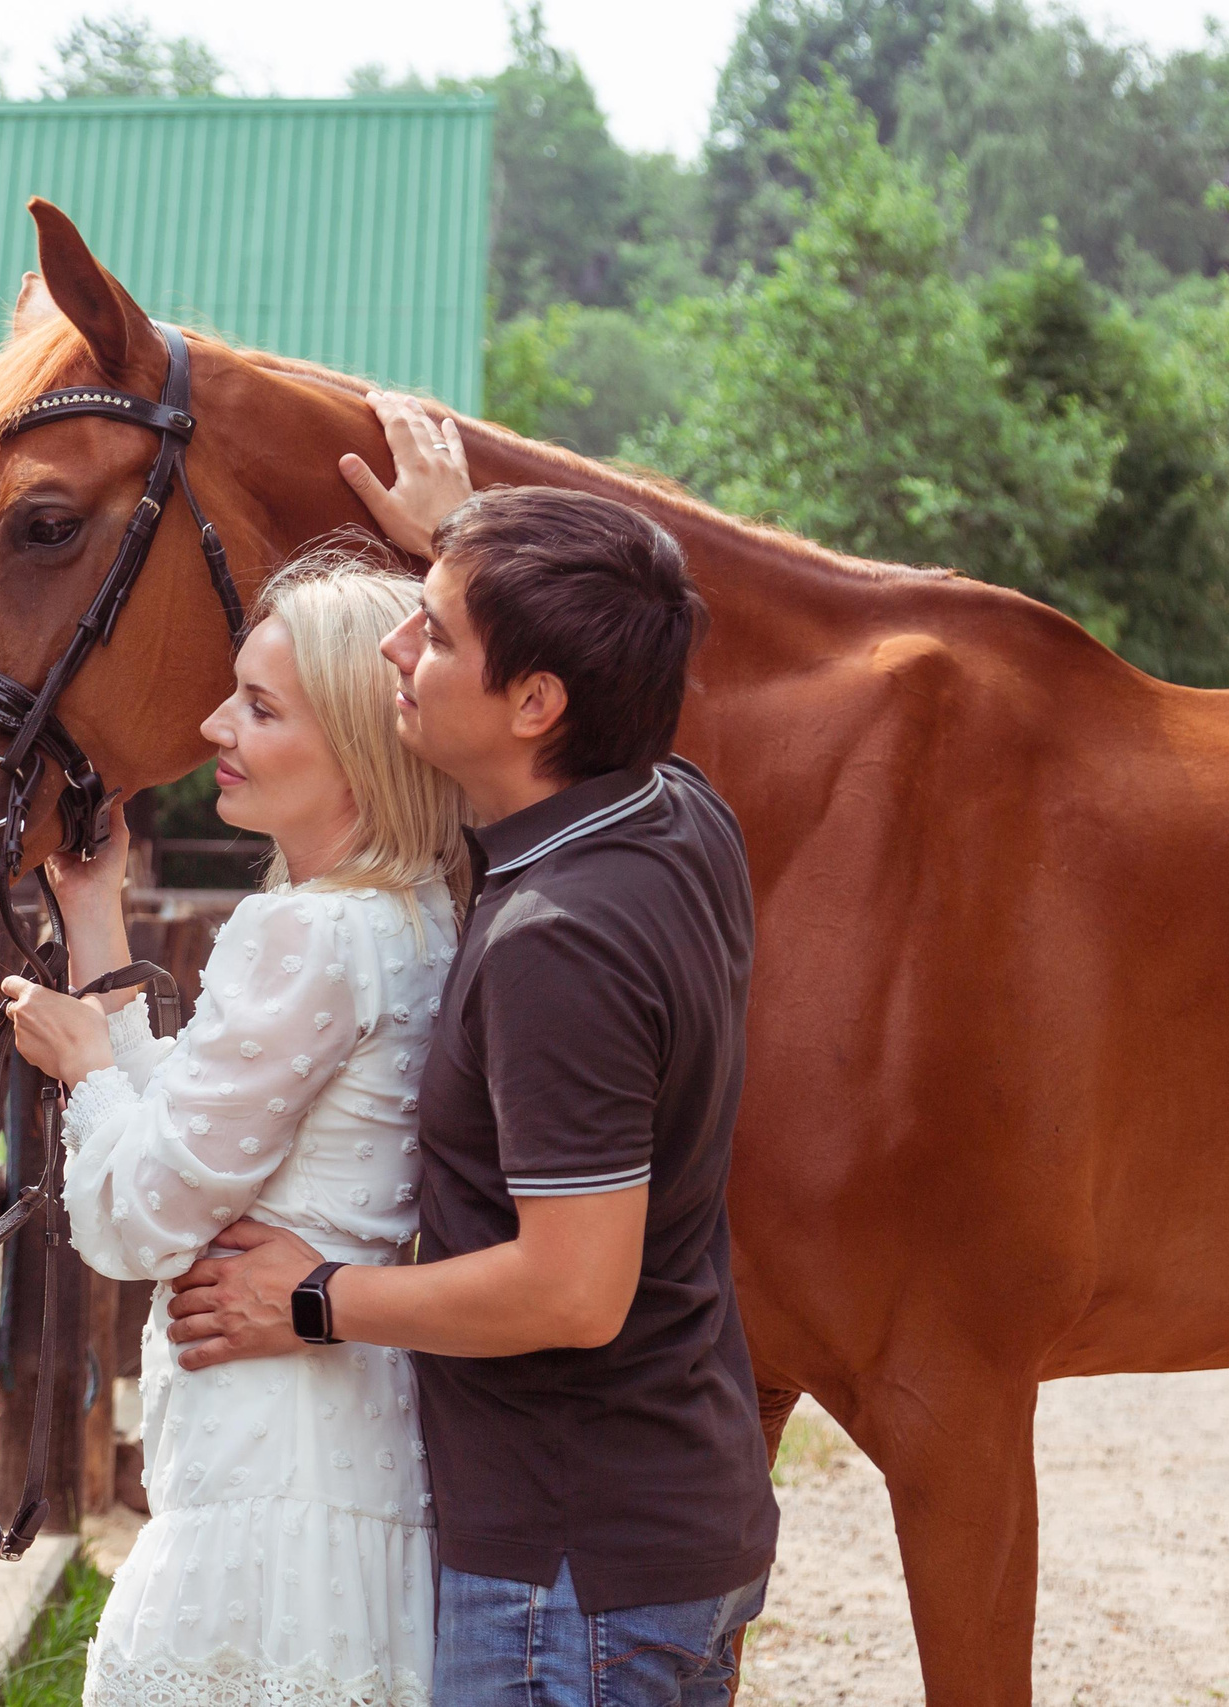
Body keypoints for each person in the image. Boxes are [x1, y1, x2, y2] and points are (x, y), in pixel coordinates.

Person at [161, 395, 780, 1703]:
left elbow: (572, 1287)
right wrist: (469, 546)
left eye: (434, 631)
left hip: (571, 1577)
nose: (396, 641)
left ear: (538, 701)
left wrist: (317, 1294)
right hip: (662, 1523)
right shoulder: (673, 816)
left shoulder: (562, 940)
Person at [0, 554, 469, 1707]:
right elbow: (207, 1135)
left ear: (357, 754)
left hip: (270, 1459)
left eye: (260, 707)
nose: (216, 721)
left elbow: (139, 1215)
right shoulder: (411, 920)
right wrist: (97, 919)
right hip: (343, 1443)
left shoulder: (298, 936)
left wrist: (81, 1065)